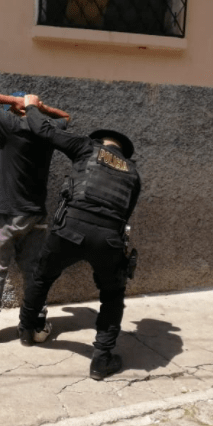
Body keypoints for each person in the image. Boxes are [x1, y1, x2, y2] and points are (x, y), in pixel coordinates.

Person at [18, 94, 141, 381]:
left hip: (69, 228)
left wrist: (31, 106)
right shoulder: (133, 173)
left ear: (101, 141)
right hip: (109, 239)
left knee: (41, 276)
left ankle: (26, 330)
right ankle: (101, 360)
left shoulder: (88, 147)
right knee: (112, 295)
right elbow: (126, 214)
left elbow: (43, 131)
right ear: (123, 150)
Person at [0, 92, 70, 345]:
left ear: (16, 110)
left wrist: (13, 100)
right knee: (34, 271)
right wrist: (40, 106)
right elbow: (66, 116)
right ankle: (38, 324)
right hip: (37, 215)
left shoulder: (11, 126)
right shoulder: (48, 130)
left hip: (7, 213)